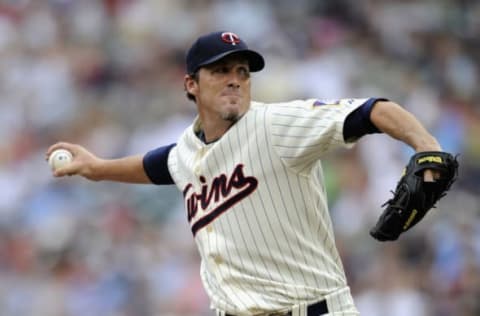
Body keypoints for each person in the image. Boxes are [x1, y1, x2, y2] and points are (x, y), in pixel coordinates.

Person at [47, 31, 442, 316]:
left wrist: (427, 147)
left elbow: (373, 110)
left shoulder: (277, 125)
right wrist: (97, 169)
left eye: (242, 70)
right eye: (220, 70)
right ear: (191, 85)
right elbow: (157, 165)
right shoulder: (186, 150)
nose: (235, 78)